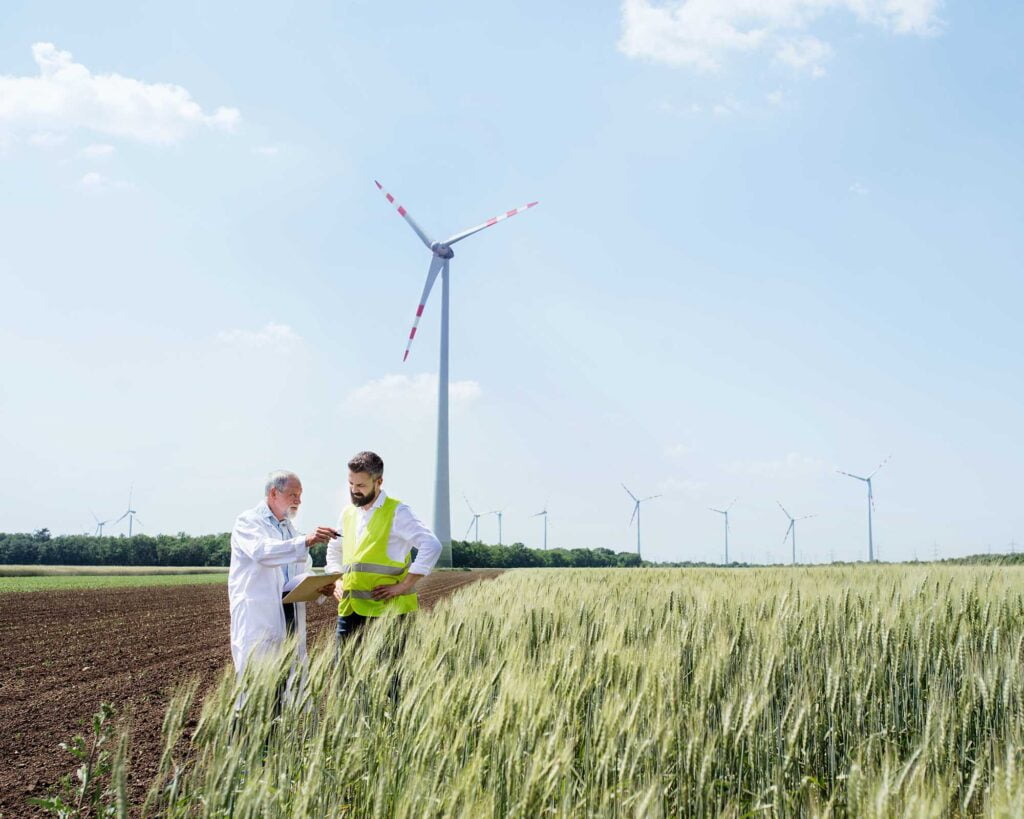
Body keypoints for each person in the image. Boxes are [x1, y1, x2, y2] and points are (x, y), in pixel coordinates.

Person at [228, 470, 338, 676]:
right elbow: (262, 552)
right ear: (273, 493)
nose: (299, 501)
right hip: (260, 619)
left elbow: (302, 570)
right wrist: (306, 540)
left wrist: (321, 587)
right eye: (293, 495)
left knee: (289, 689)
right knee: (257, 691)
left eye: (300, 495)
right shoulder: (248, 522)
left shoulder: (290, 529)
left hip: (290, 620)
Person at [325, 451, 442, 642]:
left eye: (361, 485)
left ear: (379, 482)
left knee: (387, 672)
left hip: (389, 613)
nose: (354, 490)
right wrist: (337, 578)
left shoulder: (397, 511)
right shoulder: (347, 513)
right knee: (343, 672)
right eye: (351, 483)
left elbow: (432, 545)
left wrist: (404, 586)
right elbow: (334, 549)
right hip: (349, 610)